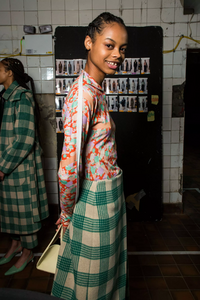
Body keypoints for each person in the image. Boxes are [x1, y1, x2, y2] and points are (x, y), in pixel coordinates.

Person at [51, 12, 128, 300]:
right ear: (88, 42)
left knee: (105, 280)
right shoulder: (83, 95)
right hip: (93, 201)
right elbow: (69, 168)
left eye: (122, 48)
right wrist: (68, 214)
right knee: (91, 287)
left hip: (106, 196)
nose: (117, 54)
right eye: (109, 45)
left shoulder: (95, 90)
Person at [0, 58, 49, 276]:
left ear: (9, 73)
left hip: (19, 167)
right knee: (12, 212)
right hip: (9, 165)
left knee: (25, 213)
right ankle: (16, 245)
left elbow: (24, 139)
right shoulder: (5, 97)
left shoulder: (22, 97)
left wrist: (2, 167)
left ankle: (28, 252)